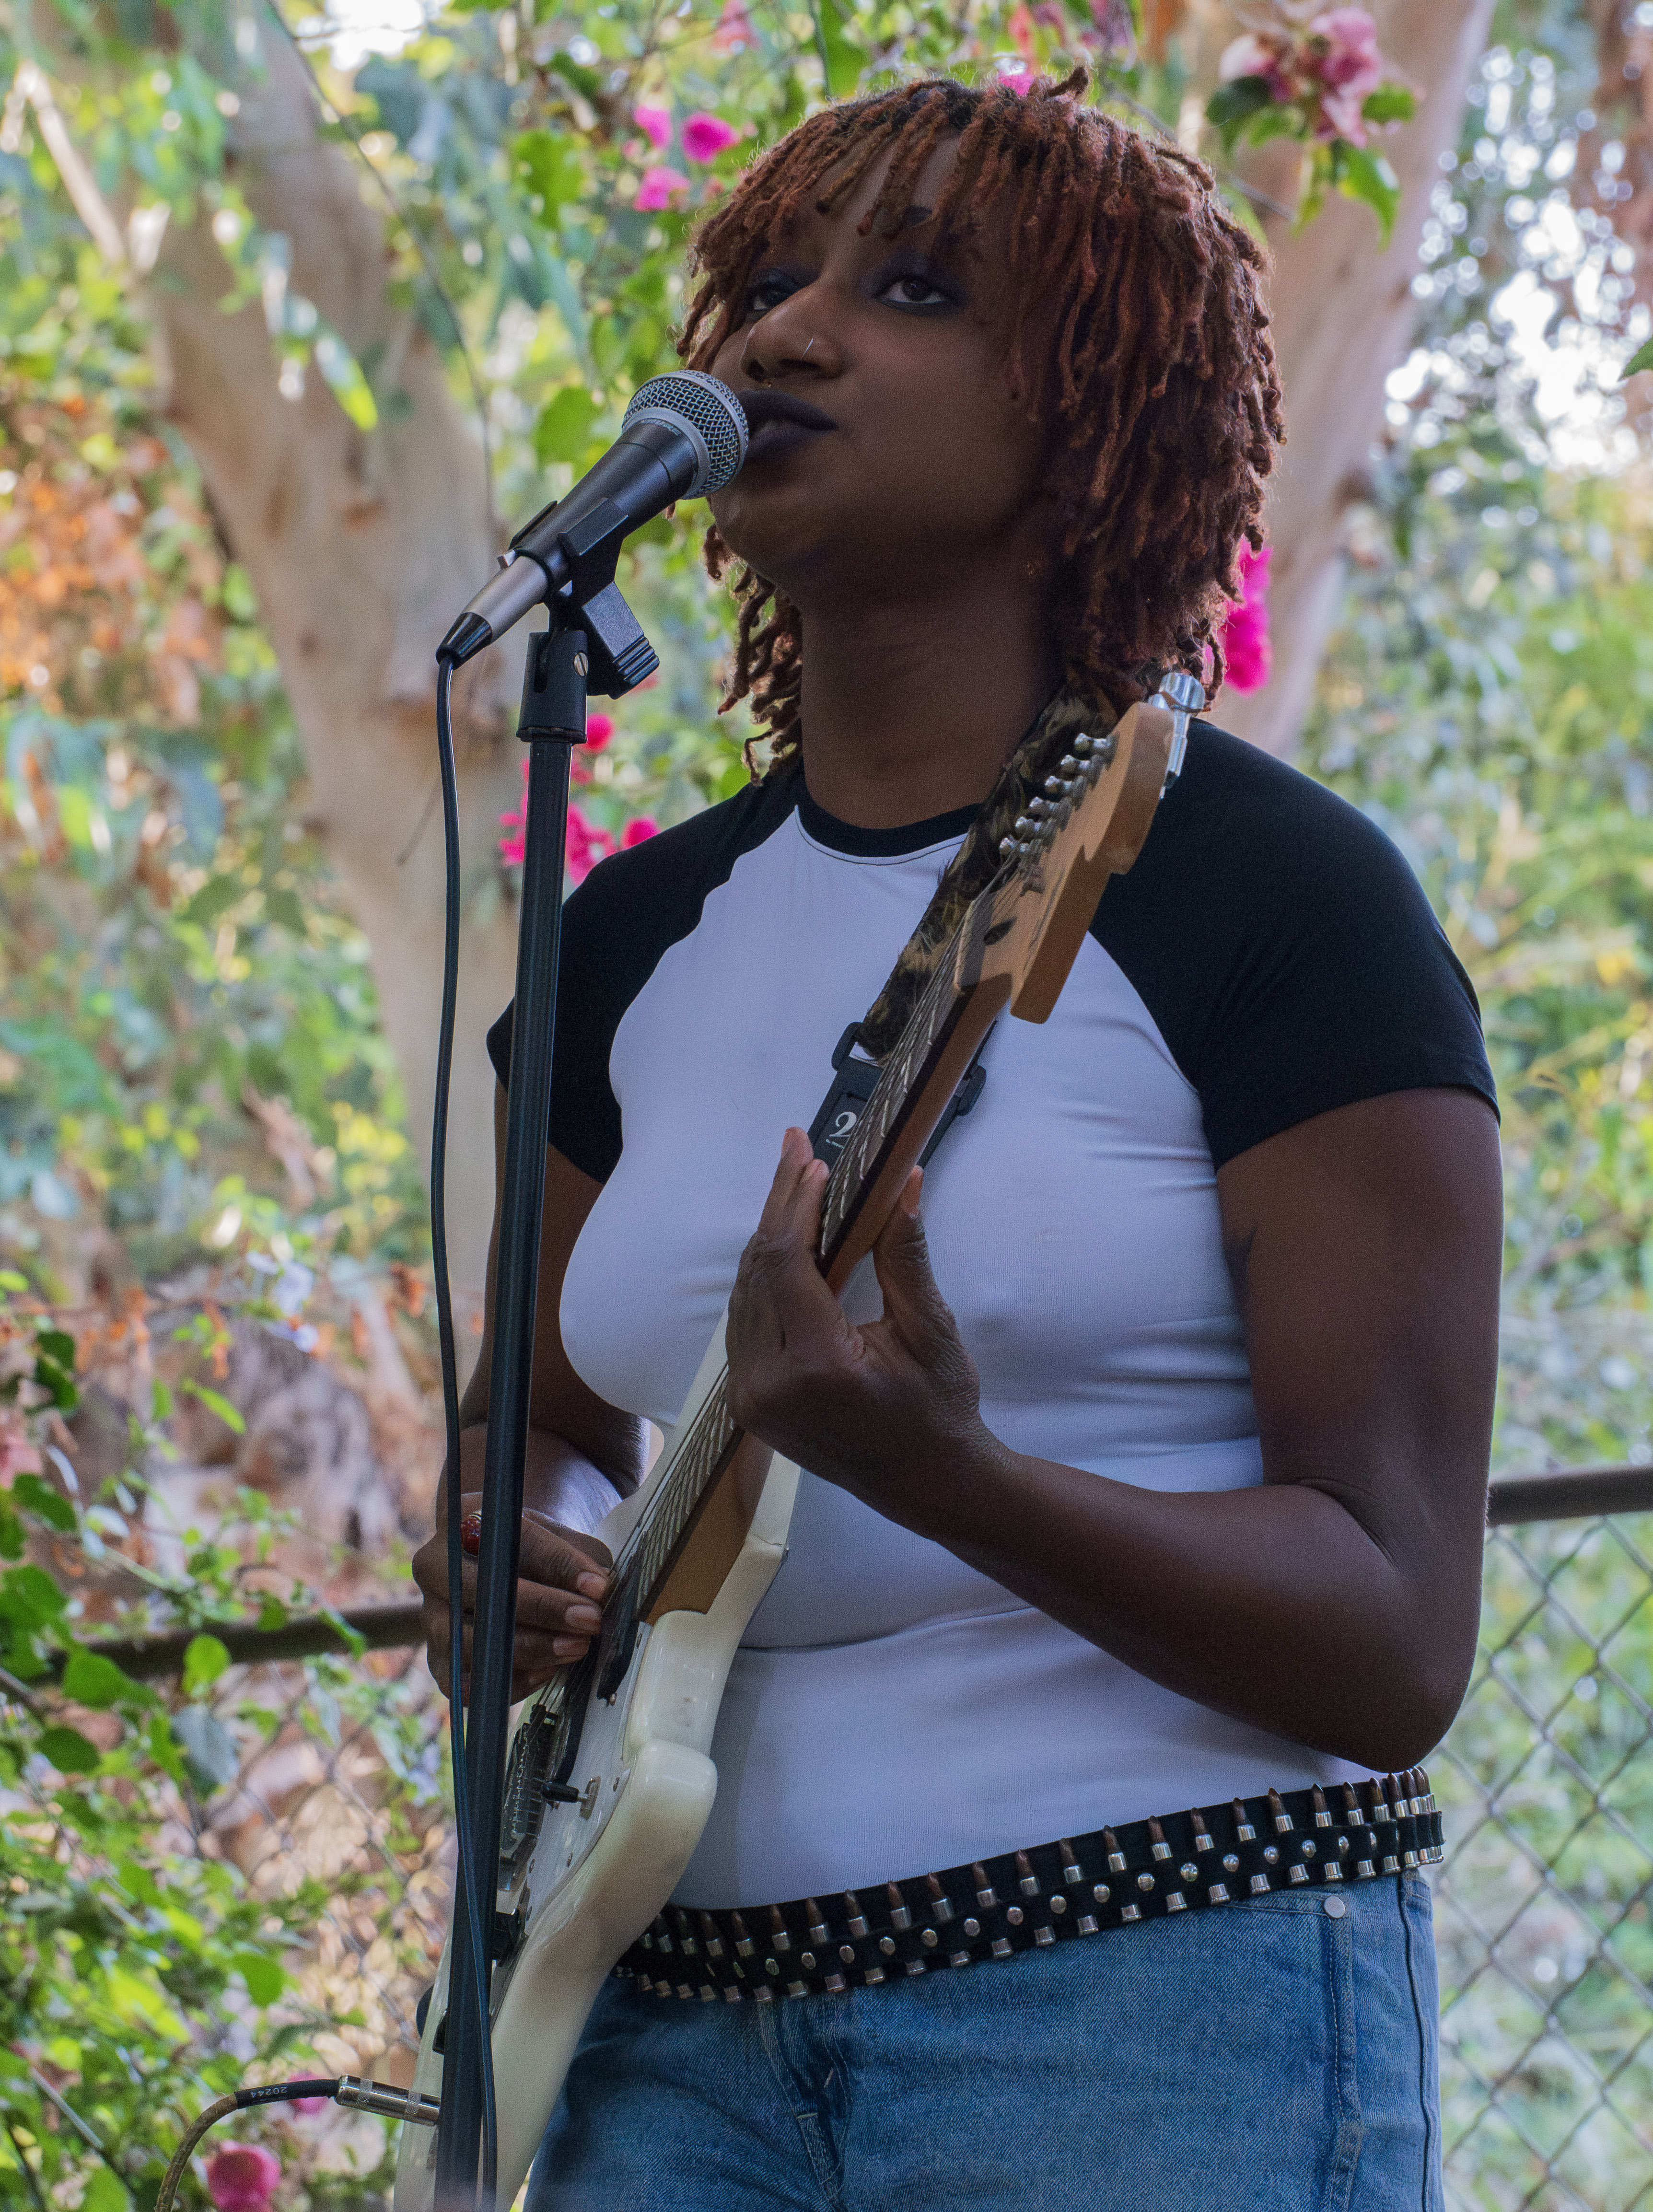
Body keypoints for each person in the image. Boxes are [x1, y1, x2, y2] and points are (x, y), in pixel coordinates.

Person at [413, 69, 1502, 2211]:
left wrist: (954, 1476)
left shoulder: (1273, 897)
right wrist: (508, 1545)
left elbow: (1393, 1642)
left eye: (911, 290)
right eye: (768, 285)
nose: (787, 335)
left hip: (1147, 2000)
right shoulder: (630, 940)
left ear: (1096, 411)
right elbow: (533, 1428)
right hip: (660, 2023)